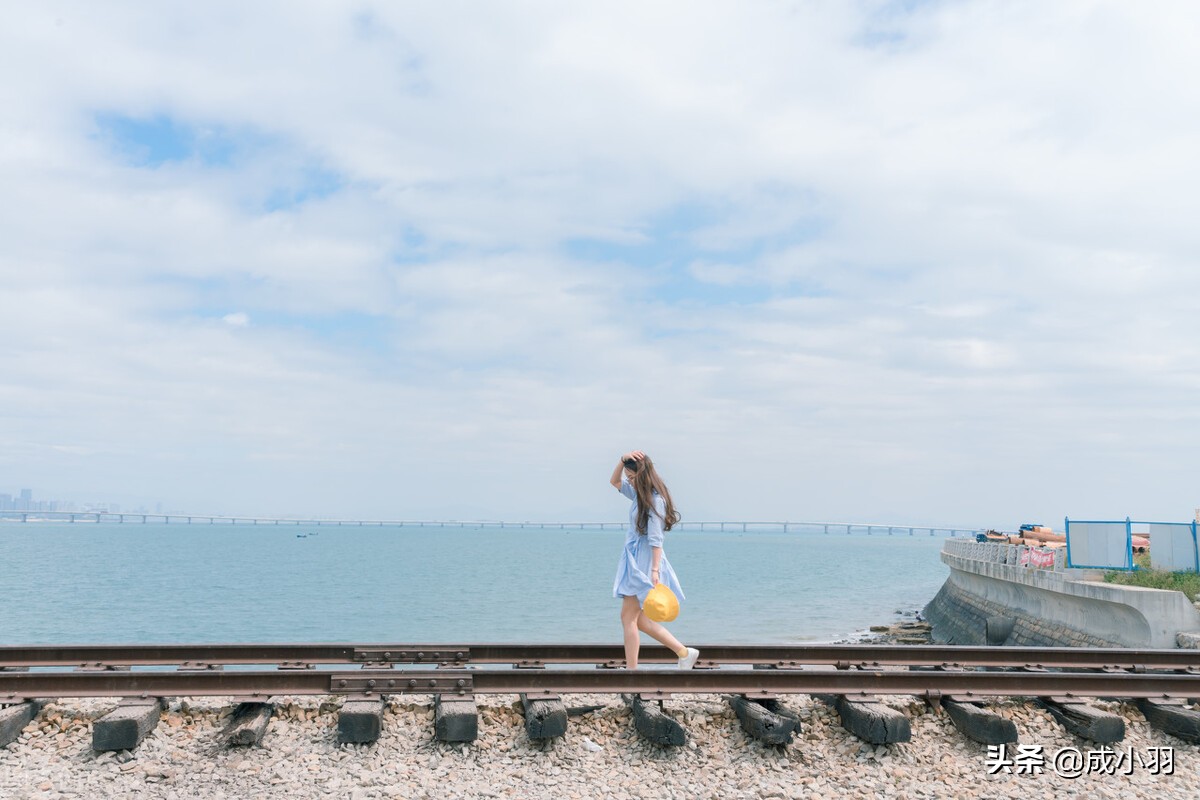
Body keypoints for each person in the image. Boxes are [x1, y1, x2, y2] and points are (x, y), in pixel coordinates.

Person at [609, 450, 700, 670]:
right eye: (629, 478)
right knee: (637, 619)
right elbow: (614, 481)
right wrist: (622, 460)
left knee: (628, 617)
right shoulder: (639, 495)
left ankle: (632, 671)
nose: (628, 481)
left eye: (632, 478)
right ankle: (684, 652)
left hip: (645, 561)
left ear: (642, 475)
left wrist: (655, 570)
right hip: (635, 558)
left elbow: (656, 539)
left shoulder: (655, 500)